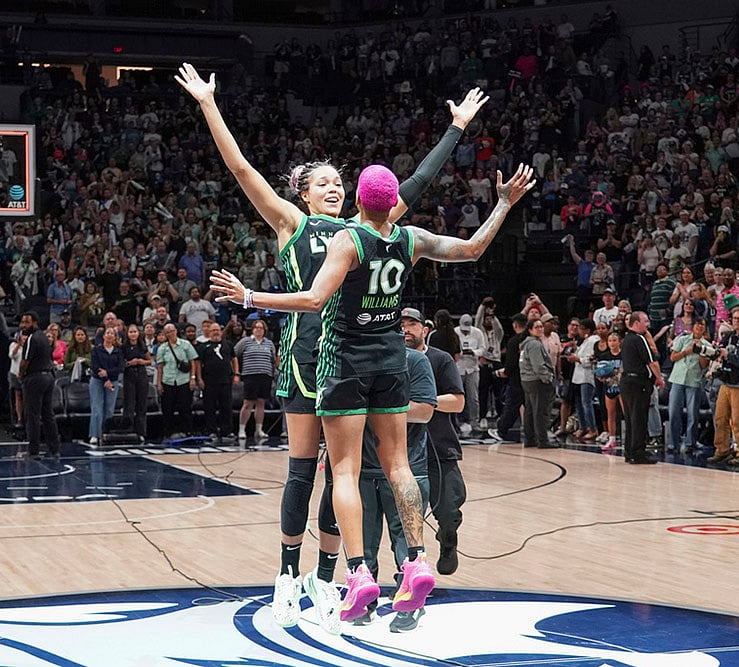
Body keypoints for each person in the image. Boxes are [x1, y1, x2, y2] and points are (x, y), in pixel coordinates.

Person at [176, 62, 489, 632]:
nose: (334, 186)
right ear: (303, 191)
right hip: (305, 360)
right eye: (323, 181)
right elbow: (241, 168)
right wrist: (207, 104)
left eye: (339, 182)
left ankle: (333, 576)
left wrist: (456, 129)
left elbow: (413, 184)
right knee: (306, 472)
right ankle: (287, 576)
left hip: (352, 355)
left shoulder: (363, 231)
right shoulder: (292, 222)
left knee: (347, 471)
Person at [211, 163, 536, 622]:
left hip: (345, 362)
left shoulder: (348, 240)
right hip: (390, 360)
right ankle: (416, 562)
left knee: (343, 471)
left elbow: (312, 300)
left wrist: (250, 297)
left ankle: (359, 572)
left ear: (359, 202)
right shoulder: (410, 238)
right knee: (399, 465)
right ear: (391, 206)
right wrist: (503, 202)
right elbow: (473, 248)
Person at [356, 340, 437, 632]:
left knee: (406, 545)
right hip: (363, 466)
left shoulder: (415, 361)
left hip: (408, 467)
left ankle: (412, 604)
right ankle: (365, 601)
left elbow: (425, 411)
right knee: (363, 544)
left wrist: (376, 409)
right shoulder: (358, 357)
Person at [402, 308, 466, 576]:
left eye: (412, 324)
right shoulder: (390, 361)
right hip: (402, 450)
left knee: (450, 508)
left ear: (425, 329)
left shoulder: (440, 360)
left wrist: (424, 403)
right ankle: (411, 567)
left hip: (439, 447)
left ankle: (448, 540)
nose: (406, 329)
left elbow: (458, 402)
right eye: (401, 324)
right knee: (404, 517)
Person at [706, 305, 739, 466]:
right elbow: (719, 351)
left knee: (738, 419)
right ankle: (722, 449)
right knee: (720, 417)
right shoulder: (729, 335)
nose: (736, 321)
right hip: (726, 380)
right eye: (734, 318)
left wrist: (729, 356)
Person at [619, 311, 665, 464]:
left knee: (631, 418)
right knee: (639, 418)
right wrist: (658, 378)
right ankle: (638, 452)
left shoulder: (626, 339)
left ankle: (629, 451)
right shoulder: (640, 338)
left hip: (627, 382)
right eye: (645, 321)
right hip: (638, 383)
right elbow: (652, 362)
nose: (648, 324)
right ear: (636, 323)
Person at [18, 311, 60, 459]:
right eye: (22, 322)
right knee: (48, 413)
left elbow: (25, 361)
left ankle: (33, 450)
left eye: (26, 322)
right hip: (48, 376)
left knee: (32, 415)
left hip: (35, 378)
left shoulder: (32, 338)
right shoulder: (43, 336)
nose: (23, 325)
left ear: (35, 322)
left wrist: (20, 374)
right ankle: (54, 448)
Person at [668, 317, 710, 453]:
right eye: (697, 324)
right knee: (674, 411)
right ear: (693, 326)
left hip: (694, 380)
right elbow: (673, 357)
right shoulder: (682, 339)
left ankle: (690, 442)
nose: (699, 327)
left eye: (702, 325)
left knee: (693, 412)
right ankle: (673, 443)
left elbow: (704, 365)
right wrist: (687, 351)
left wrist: (701, 351)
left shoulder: (707, 345)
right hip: (678, 378)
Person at [233, 319, 277, 441]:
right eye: (256, 327)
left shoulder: (269, 343)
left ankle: (259, 429)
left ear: (264, 330)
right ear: (252, 329)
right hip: (250, 375)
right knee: (248, 403)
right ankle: (242, 429)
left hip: (265, 375)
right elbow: (234, 354)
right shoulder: (245, 342)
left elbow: (273, 360)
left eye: (261, 328)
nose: (258, 330)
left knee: (261, 403)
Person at [519, 318, 558, 449]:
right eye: (537, 327)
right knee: (540, 411)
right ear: (530, 330)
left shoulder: (526, 344)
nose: (540, 329)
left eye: (541, 326)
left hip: (527, 380)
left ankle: (530, 439)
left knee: (530, 410)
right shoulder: (535, 344)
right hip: (537, 381)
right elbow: (538, 366)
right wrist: (548, 378)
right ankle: (543, 440)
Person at [155, 323, 199, 438]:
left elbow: (193, 362)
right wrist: (159, 383)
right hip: (168, 380)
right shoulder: (162, 348)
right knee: (167, 409)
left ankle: (188, 431)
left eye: (172, 331)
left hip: (183, 380)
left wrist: (192, 378)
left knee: (185, 408)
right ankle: (168, 433)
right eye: (167, 332)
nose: (170, 333)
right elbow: (160, 367)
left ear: (176, 331)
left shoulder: (185, 344)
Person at [197, 321, 238, 440]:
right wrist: (199, 378)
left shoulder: (228, 344)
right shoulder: (203, 347)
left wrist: (236, 374)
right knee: (210, 407)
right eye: (213, 330)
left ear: (220, 331)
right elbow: (199, 363)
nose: (215, 332)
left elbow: (234, 359)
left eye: (217, 330)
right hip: (209, 382)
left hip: (225, 380)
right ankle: (211, 430)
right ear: (209, 332)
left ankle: (227, 431)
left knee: (226, 407)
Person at [490, 313, 527, 443]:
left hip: (517, 379)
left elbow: (510, 364)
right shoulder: (533, 340)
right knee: (530, 406)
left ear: (514, 325)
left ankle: (502, 430)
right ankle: (533, 432)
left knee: (511, 405)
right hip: (531, 379)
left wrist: (505, 373)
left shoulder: (514, 342)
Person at [88, 327, 124, 445]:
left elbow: (120, 367)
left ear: (115, 337)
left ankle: (106, 433)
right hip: (97, 380)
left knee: (109, 409)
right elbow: (94, 365)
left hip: (113, 380)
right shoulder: (97, 350)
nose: (109, 335)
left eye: (112, 334)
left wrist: (108, 374)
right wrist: (104, 378)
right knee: (97, 408)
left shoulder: (118, 351)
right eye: (107, 333)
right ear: (103, 336)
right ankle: (95, 434)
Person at [121, 323, 153, 442]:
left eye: (135, 332)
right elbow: (121, 363)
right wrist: (130, 363)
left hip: (141, 375)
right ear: (127, 334)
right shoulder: (123, 347)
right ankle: (128, 431)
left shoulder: (142, 345)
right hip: (129, 375)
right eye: (131, 332)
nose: (133, 334)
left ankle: (141, 432)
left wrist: (140, 361)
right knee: (129, 404)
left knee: (141, 405)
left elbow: (149, 361)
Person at [455, 313, 485, 434]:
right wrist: (462, 353)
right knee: (457, 396)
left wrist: (473, 352)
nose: (465, 332)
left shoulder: (478, 333)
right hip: (459, 368)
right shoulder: (455, 332)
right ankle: (456, 422)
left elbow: (483, 349)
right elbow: (454, 349)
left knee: (473, 397)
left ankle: (474, 422)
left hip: (473, 368)